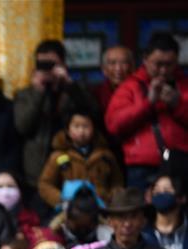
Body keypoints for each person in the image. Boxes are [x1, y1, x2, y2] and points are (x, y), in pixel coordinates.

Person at [105, 32, 188, 188]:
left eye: (169, 64)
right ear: (145, 60)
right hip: (143, 168)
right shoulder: (130, 87)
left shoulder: (184, 85)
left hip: (181, 164)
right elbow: (114, 125)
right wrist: (148, 103)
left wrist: (178, 104)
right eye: (158, 64)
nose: (163, 71)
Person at [14, 40, 99, 189]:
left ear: (63, 64)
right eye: (42, 65)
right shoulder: (26, 95)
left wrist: (69, 85)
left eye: (52, 64)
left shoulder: (74, 91)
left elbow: (94, 114)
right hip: (37, 171)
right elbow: (23, 127)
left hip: (73, 168)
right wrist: (38, 92)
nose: (47, 69)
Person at [38, 109, 123, 208]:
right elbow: (45, 184)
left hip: (101, 208)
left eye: (86, 126)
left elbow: (117, 182)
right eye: (76, 126)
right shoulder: (58, 156)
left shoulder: (106, 156)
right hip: (70, 210)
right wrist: (62, 200)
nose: (81, 131)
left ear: (93, 129)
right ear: (68, 130)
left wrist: (111, 197)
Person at [143, 174, 187, 249]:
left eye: (167, 191)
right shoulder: (142, 235)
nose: (161, 194)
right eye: (157, 191)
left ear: (181, 198)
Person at [93, 46, 135, 114]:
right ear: (104, 69)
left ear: (132, 68)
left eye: (124, 62)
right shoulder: (96, 95)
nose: (118, 69)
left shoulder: (140, 92)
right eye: (112, 63)